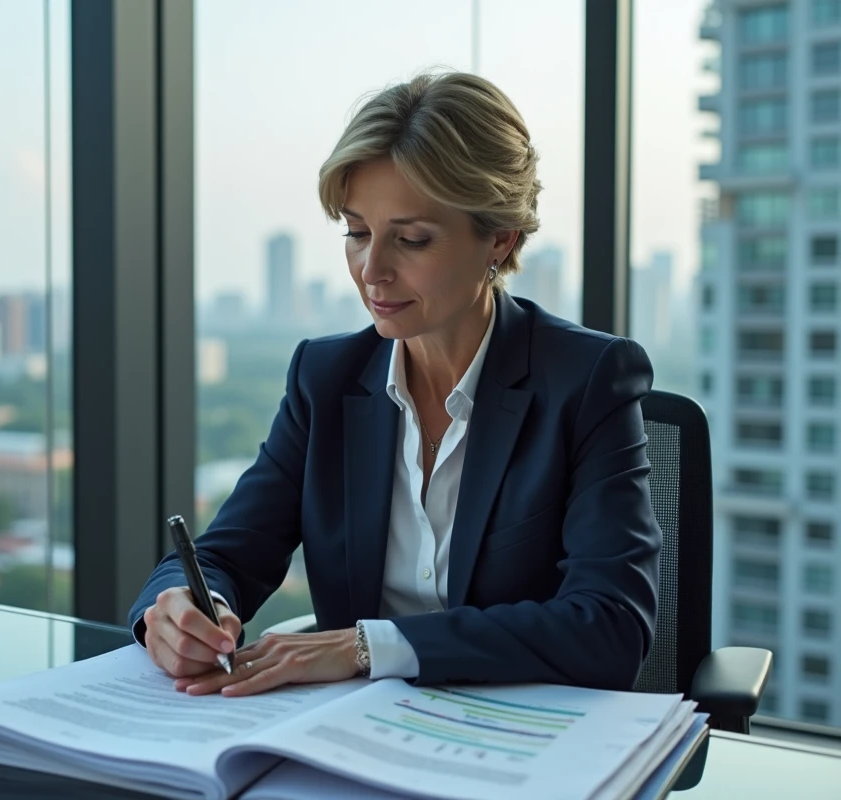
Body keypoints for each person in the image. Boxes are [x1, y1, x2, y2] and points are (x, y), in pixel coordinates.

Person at [129, 71, 661, 698]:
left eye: (411, 239)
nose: (372, 271)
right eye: (356, 233)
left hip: (522, 746)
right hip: (355, 742)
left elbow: (611, 627)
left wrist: (366, 647)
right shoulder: (324, 381)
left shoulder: (587, 380)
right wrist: (179, 610)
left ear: (500, 238)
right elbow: (226, 552)